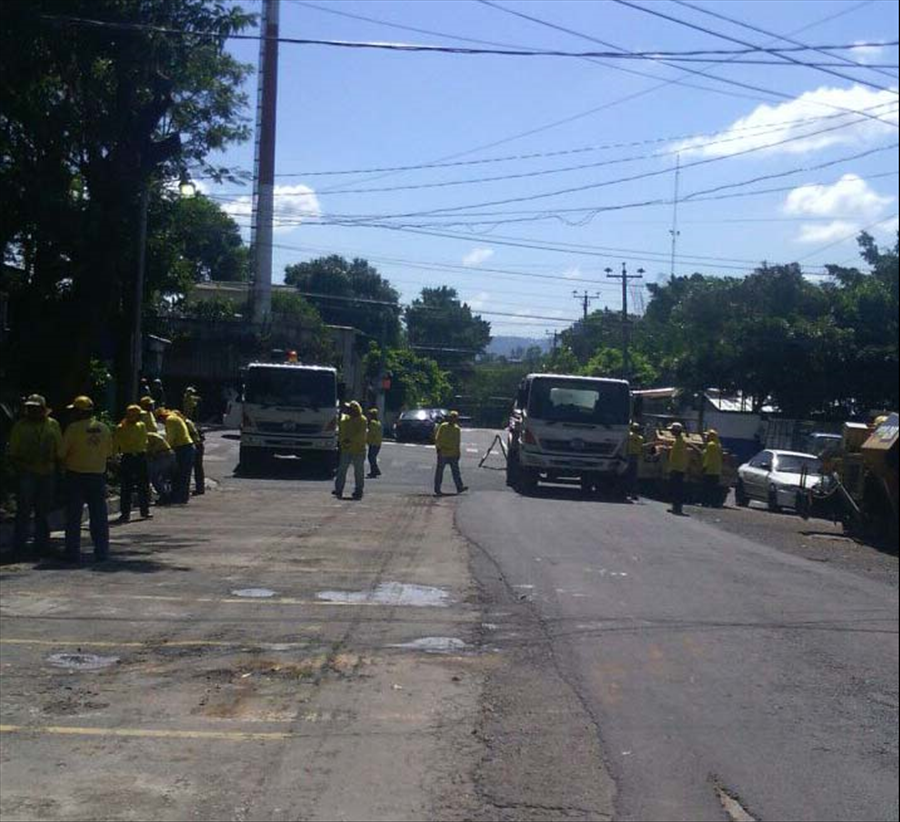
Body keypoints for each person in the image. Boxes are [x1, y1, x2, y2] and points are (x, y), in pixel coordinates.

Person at [9, 394, 63, 559]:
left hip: (47, 473)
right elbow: (13, 452)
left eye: (36, 408)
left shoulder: (53, 425)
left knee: (43, 511)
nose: (32, 411)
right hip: (27, 472)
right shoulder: (20, 426)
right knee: (24, 511)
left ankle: (42, 545)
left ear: (42, 409)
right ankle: (20, 546)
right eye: (30, 408)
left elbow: (59, 449)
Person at [60, 395, 113, 562]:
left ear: (78, 412)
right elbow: (110, 453)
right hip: (97, 476)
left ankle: (72, 552)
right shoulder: (104, 428)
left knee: (74, 516)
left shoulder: (73, 428)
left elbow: (61, 453)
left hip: (75, 475)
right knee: (99, 515)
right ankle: (102, 551)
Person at [114, 404, 151, 522]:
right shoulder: (122, 427)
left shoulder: (140, 425)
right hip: (130, 457)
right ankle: (127, 513)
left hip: (138, 456)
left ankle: (143, 510)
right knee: (127, 487)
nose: (141, 417)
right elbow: (116, 444)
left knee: (142, 485)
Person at [158, 408, 194, 504]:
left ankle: (178, 497)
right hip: (186, 447)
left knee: (180, 473)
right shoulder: (174, 418)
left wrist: (164, 449)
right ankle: (182, 497)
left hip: (183, 448)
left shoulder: (170, 420)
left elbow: (171, 437)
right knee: (184, 474)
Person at [333, 401, 367, 500]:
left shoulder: (362, 420)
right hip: (346, 449)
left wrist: (349, 440)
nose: (347, 410)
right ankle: (338, 489)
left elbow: (360, 435)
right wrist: (343, 442)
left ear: (354, 410)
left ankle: (358, 490)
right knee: (341, 470)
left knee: (359, 472)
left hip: (358, 450)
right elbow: (342, 432)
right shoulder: (346, 419)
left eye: (349, 409)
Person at [434, 410, 468, 496]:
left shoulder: (457, 429)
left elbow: (457, 442)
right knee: (439, 472)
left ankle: (459, 487)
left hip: (453, 453)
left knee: (456, 472)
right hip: (443, 452)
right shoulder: (443, 426)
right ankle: (437, 488)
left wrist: (458, 453)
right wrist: (438, 448)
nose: (452, 419)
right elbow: (438, 437)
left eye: (454, 418)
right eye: (451, 417)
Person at [180, 411, 205, 496]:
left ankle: (196, 488)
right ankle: (200, 488)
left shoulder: (185, 423)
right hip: (198, 445)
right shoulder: (188, 422)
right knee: (198, 468)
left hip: (195, 445)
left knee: (190, 468)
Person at [147, 430, 175, 504]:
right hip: (166, 454)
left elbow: (149, 451)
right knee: (160, 477)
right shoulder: (150, 435)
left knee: (154, 477)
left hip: (163, 454)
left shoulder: (146, 437)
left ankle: (164, 496)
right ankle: (165, 495)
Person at [666, 422, 688, 516]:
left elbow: (678, 457)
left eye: (672, 430)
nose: (671, 432)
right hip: (678, 468)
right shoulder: (679, 441)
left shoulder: (679, 442)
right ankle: (675, 507)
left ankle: (677, 508)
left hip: (677, 469)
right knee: (676, 489)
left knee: (677, 489)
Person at [701, 429, 724, 507]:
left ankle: (705, 502)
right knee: (713, 488)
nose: (706, 437)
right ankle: (713, 503)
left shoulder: (710, 445)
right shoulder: (719, 445)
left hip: (709, 470)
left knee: (706, 488)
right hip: (717, 470)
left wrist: (704, 467)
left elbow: (707, 457)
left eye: (707, 435)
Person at [626, 422, 644, 500]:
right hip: (635, 457)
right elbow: (641, 447)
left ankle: (625, 492)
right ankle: (633, 494)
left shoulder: (627, 436)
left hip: (626, 456)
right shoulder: (640, 438)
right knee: (633, 476)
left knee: (626, 475)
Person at [366, 407, 383, 478]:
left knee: (371, 457)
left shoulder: (372, 423)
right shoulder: (378, 423)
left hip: (374, 443)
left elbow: (371, 433)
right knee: (372, 457)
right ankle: (375, 470)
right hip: (377, 443)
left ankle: (375, 471)